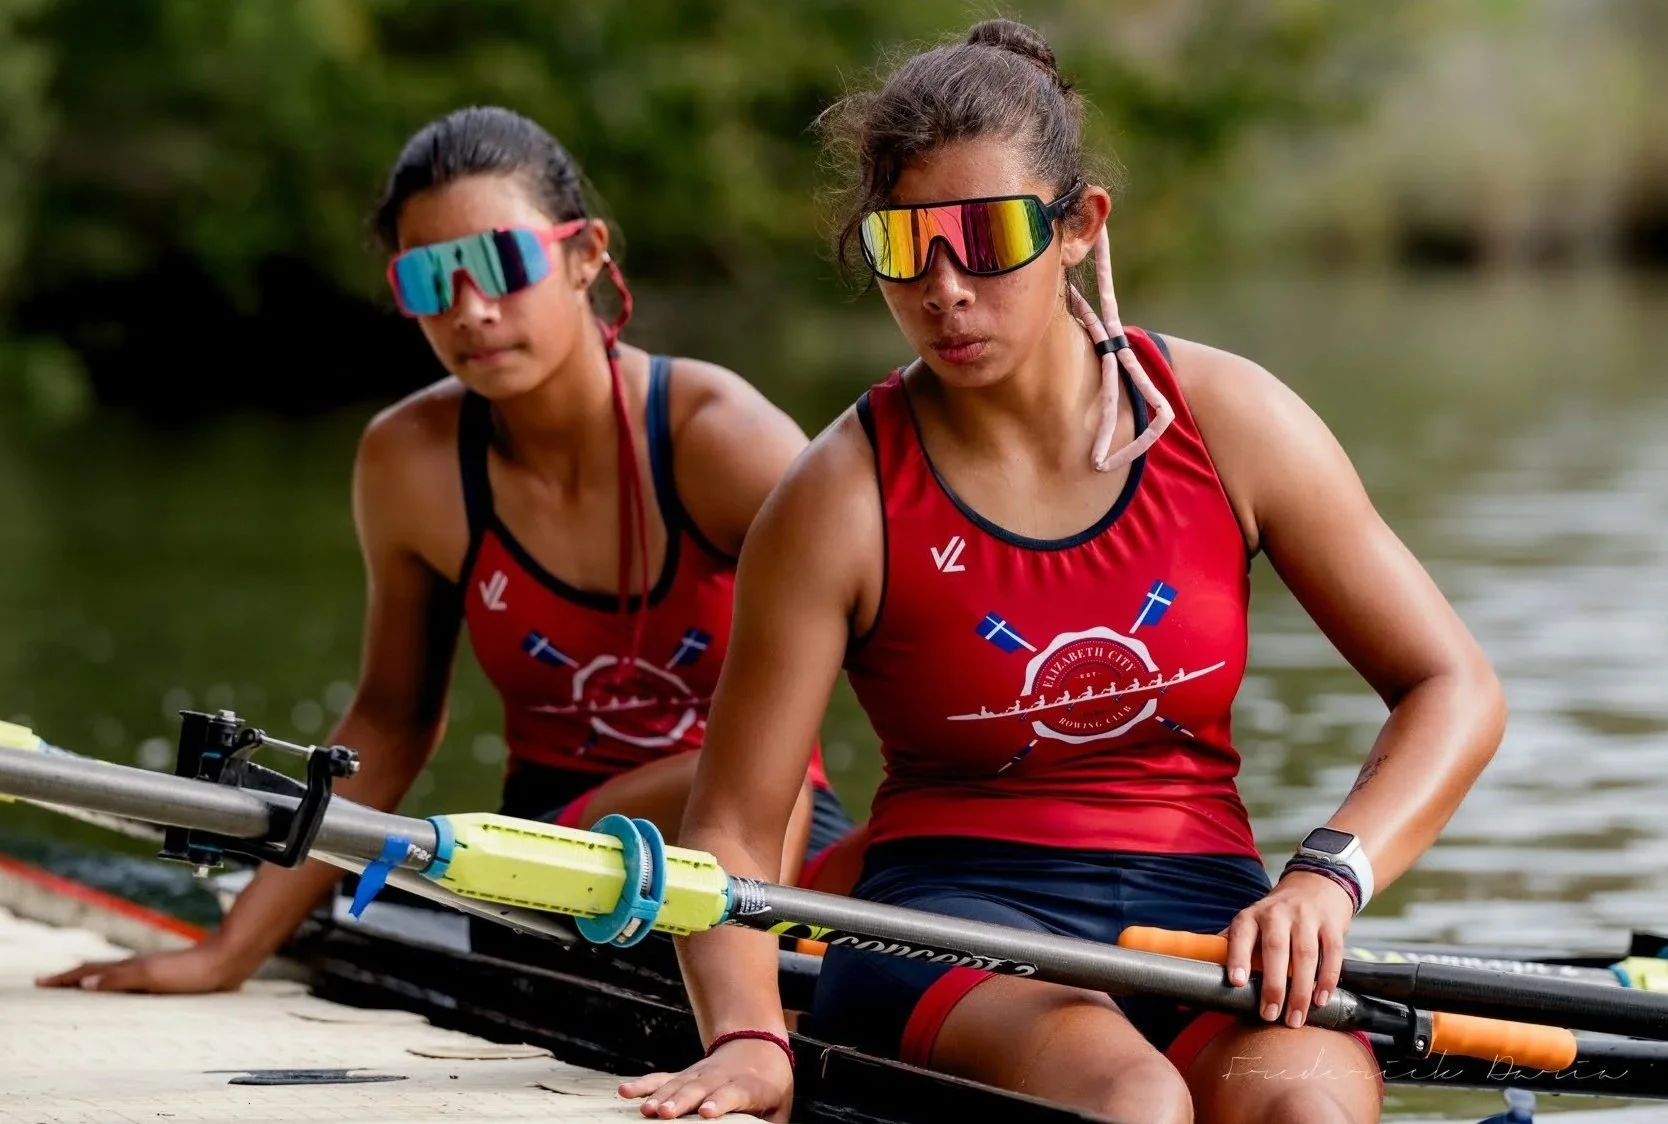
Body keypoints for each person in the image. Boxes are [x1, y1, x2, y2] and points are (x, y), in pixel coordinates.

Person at [620, 20, 1504, 1124]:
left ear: (1080, 226)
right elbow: (736, 829)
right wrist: (751, 1036)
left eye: (987, 238)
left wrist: (1327, 874)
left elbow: (1453, 686)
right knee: (1134, 1101)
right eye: (903, 246)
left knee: (1307, 1102)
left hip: (1207, 929)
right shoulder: (836, 496)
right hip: (951, 928)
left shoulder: (1231, 423)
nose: (945, 287)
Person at [36, 105, 856, 995]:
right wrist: (227, 952)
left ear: (584, 255)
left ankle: (769, 972)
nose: (471, 308)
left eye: (501, 262)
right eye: (430, 279)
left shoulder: (717, 437)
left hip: (766, 840)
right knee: (682, 794)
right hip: (538, 858)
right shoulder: (411, 464)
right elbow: (389, 724)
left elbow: (901, 647)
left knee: (736, 777)